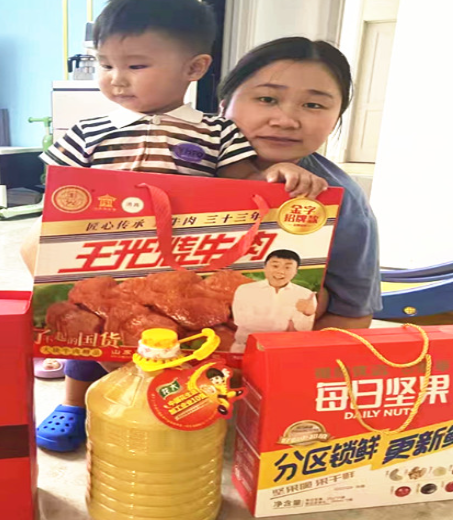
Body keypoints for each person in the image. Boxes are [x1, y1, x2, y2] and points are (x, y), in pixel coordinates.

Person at [29, 0, 328, 453]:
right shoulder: (86, 132)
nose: (116, 78)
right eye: (105, 64)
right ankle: (74, 401)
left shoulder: (216, 133)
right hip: (107, 252)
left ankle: (175, 395)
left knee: (174, 330)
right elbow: (61, 195)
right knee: (90, 324)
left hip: (184, 260)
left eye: (136, 65)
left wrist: (276, 173)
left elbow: (243, 187)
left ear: (194, 67)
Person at [218, 37, 382, 331]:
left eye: (313, 105)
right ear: (223, 106)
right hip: (150, 347)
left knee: (318, 297)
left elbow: (351, 317)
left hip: (272, 350)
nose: (286, 121)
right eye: (267, 99)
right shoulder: (172, 166)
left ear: (336, 120)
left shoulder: (342, 199)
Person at [231, 249, 317, 352]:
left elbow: (304, 330)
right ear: (265, 267)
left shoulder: (305, 294)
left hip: (285, 350)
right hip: (245, 348)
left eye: (288, 267)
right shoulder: (245, 290)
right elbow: (242, 321)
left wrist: (308, 314)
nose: (280, 271)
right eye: (275, 266)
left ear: (295, 271)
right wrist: (286, 325)